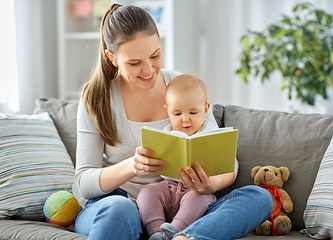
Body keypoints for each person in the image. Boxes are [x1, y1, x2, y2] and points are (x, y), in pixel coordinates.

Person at [73, 3, 272, 240]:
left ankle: (184, 237)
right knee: (119, 208)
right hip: (122, 205)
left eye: (155, 55)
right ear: (112, 58)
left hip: (186, 209)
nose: (148, 69)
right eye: (134, 63)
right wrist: (132, 166)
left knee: (258, 198)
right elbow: (84, 183)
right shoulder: (97, 97)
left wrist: (211, 184)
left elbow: (229, 164)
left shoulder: (183, 87)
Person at [137, 74, 221, 240]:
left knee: (199, 198)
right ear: (167, 111)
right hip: (168, 186)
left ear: (205, 109)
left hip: (196, 189)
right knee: (147, 192)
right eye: (177, 113)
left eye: (192, 112)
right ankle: (156, 232)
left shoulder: (210, 132)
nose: (185, 119)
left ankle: (174, 231)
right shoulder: (167, 132)